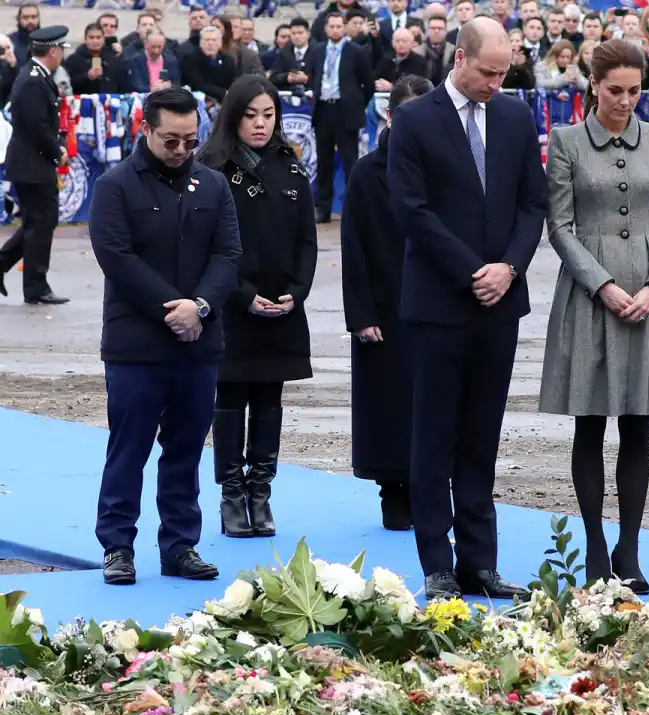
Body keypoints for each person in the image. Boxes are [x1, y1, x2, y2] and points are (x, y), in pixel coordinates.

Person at [388, 18, 548, 600]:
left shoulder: (512, 116)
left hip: (500, 302)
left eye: (503, 72)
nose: (495, 82)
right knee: (433, 436)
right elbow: (411, 210)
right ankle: (437, 563)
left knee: (482, 436)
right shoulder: (413, 120)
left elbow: (534, 203)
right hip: (438, 303)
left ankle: (481, 562)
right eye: (487, 72)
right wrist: (470, 271)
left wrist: (509, 267)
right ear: (459, 58)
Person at [539, 40, 649, 594]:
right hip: (588, 298)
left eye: (634, 91)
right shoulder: (565, 142)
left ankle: (630, 549)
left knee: (637, 425)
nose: (625, 101)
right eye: (614, 90)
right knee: (590, 422)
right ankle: (596, 548)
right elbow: (560, 227)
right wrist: (601, 285)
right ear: (594, 85)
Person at [88, 88, 241, 585]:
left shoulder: (213, 185)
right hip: (137, 346)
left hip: (199, 342)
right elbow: (116, 257)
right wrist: (170, 309)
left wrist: (198, 307)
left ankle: (180, 545)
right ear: (146, 130)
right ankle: (117, 546)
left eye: (189, 141)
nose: (180, 151)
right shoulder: (115, 186)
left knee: (186, 449)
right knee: (128, 447)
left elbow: (228, 256)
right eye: (170, 141)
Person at [196, 75, 318, 539]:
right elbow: (210, 247)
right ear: (233, 116)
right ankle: (231, 494)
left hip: (282, 307)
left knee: (270, 398)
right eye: (251, 115)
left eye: (268, 115)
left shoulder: (290, 167)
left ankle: (260, 493)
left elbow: (307, 241)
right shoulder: (212, 167)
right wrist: (244, 295)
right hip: (232, 307)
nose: (261, 124)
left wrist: (297, 291)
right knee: (229, 398)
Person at [341, 75, 433, 533]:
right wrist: (360, 314)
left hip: (439, 304)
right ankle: (393, 490)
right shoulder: (366, 173)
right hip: (385, 308)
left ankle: (432, 488)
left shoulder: (447, 167)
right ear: (391, 116)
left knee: (436, 402)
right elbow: (353, 246)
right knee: (389, 404)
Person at [0, 26, 71, 305]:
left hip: (34, 161)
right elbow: (35, 126)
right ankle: (36, 287)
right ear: (52, 51)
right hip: (32, 163)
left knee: (38, 221)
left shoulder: (36, 74)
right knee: (41, 222)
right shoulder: (32, 79)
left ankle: (7, 266)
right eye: (61, 49)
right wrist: (57, 151)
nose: (62, 53)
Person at [306, 12, 375, 223]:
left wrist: (355, 104)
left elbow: (368, 85)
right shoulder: (317, 51)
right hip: (324, 110)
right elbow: (312, 76)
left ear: (344, 27)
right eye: (332, 26)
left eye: (339, 26)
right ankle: (323, 208)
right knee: (324, 161)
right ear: (326, 28)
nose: (335, 30)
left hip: (346, 113)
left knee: (349, 162)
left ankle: (353, 207)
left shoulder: (357, 52)